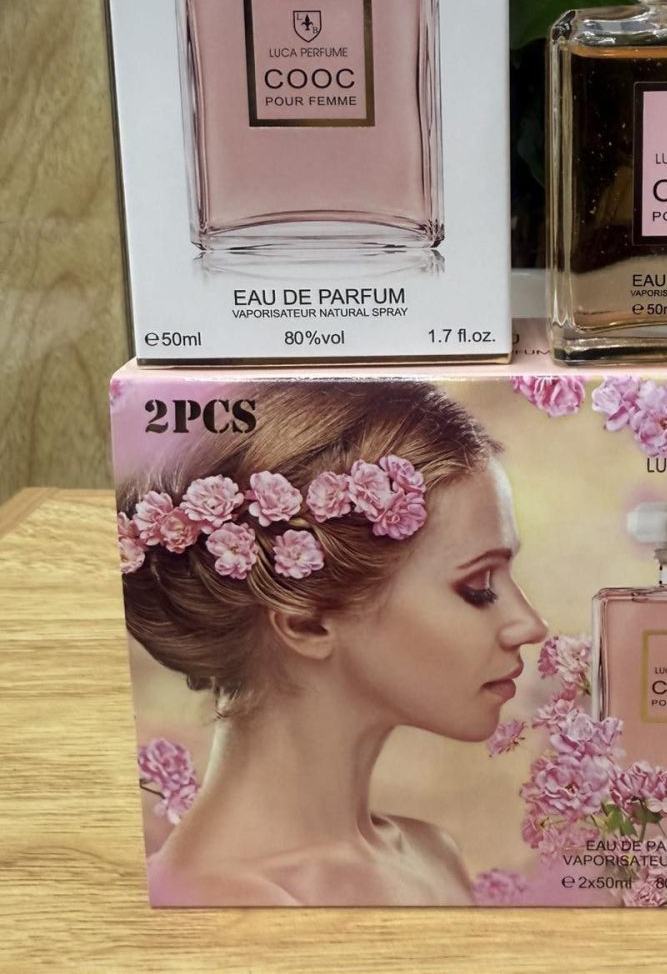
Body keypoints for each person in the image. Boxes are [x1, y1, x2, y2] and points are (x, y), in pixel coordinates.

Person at [117, 381, 547, 906]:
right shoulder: (220, 906)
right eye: (478, 587)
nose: (530, 625)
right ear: (308, 622)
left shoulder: (431, 854)